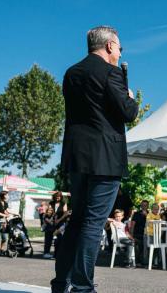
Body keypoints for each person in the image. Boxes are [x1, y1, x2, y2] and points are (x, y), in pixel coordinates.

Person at [51, 26, 139, 293]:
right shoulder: (111, 73)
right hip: (105, 158)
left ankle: (61, 283)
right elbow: (127, 113)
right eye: (120, 47)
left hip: (77, 157)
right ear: (110, 46)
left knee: (77, 220)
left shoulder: (71, 73)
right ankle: (82, 287)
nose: (120, 52)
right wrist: (130, 98)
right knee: (93, 222)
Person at [129, 200, 149, 267]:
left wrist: (147, 216)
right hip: (138, 234)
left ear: (148, 206)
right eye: (142, 205)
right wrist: (131, 235)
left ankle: (149, 261)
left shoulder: (150, 214)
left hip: (148, 234)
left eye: (145, 205)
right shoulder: (136, 214)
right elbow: (132, 225)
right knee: (138, 242)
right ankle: (139, 261)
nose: (144, 207)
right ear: (141, 206)